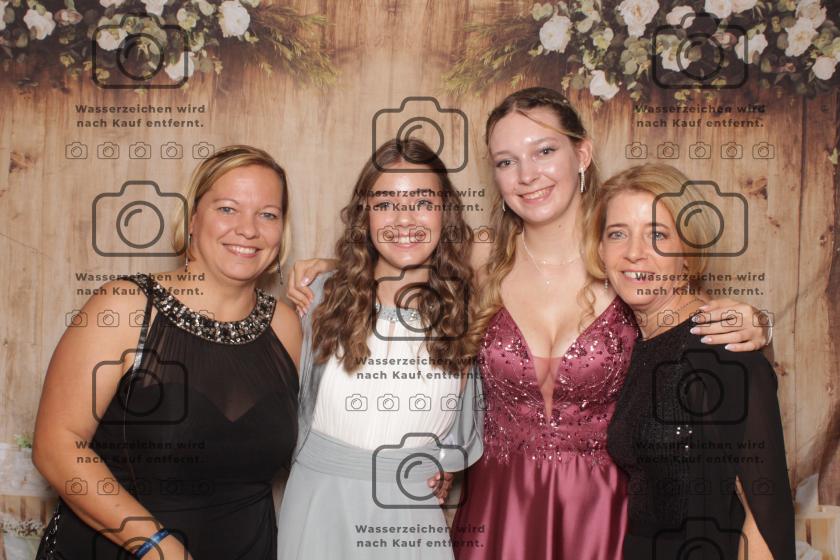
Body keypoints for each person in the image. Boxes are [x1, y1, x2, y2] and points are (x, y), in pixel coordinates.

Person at [287, 87, 772, 560]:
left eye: (544, 151)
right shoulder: (480, 260)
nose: (526, 175)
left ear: (581, 154)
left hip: (603, 517)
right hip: (501, 513)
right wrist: (326, 270)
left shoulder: (623, 259)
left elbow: (685, 321)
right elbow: (400, 250)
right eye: (506, 161)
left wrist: (755, 322)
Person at [33, 145, 301, 560]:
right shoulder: (124, 306)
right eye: (227, 209)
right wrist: (157, 547)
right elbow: (57, 446)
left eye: (268, 214)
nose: (248, 229)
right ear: (192, 219)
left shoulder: (285, 324)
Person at [276, 138, 484, 560]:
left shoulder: (468, 313)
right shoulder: (317, 299)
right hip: (318, 510)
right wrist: (332, 270)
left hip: (411, 522)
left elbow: (460, 430)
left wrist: (442, 463)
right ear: (364, 215)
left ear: (446, 212)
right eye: (386, 203)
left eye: (422, 202)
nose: (404, 219)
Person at [590, 163, 794, 559]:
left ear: (688, 252)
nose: (634, 252)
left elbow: (764, 517)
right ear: (600, 251)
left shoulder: (719, 349)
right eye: (617, 234)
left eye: (657, 235)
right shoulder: (636, 346)